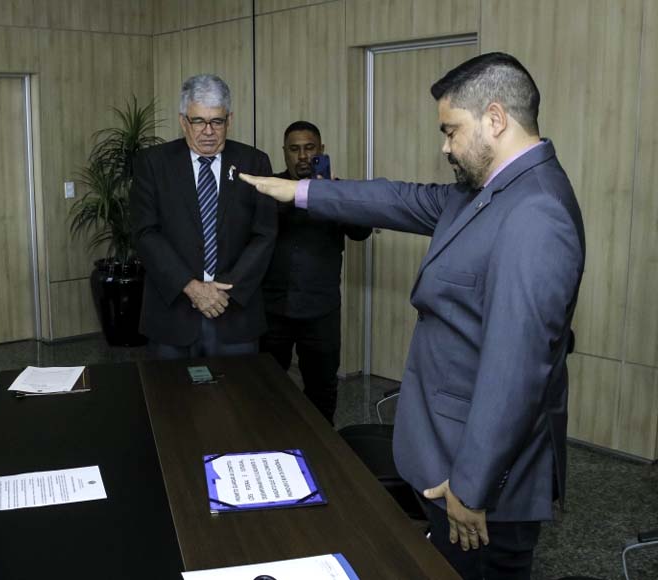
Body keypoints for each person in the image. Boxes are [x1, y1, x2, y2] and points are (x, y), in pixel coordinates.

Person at [241, 52, 585, 579]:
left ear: (495, 119)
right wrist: (300, 190)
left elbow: (514, 375)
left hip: (478, 483)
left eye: (451, 130)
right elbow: (398, 199)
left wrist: (471, 487)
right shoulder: (490, 192)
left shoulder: (535, 213)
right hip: (447, 456)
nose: (444, 145)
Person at [131, 74, 276, 358]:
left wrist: (224, 290)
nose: (208, 131)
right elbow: (145, 233)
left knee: (238, 400)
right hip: (172, 313)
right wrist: (191, 286)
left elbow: (265, 234)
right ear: (184, 121)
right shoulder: (153, 163)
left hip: (234, 313)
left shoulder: (254, 162)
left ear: (229, 120)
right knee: (171, 400)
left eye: (217, 121)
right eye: (198, 121)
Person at [260, 121, 370, 425]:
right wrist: (292, 195)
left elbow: (362, 232)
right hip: (273, 308)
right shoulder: (270, 188)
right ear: (284, 154)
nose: (303, 156)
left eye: (309, 148)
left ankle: (322, 449)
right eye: (294, 149)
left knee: (322, 390)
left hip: (320, 311)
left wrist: (333, 193)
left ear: (320, 151)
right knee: (265, 386)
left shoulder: (337, 189)